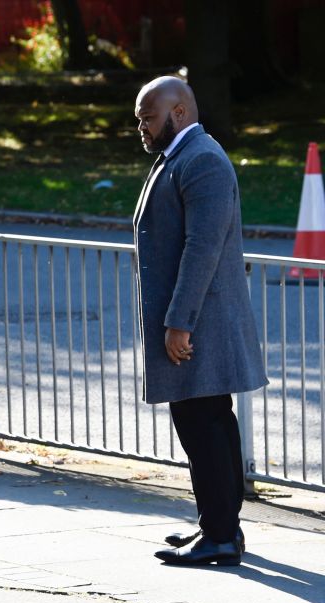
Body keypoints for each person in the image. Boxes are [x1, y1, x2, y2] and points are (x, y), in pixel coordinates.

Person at [132, 77, 267, 566]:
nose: (142, 128)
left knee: (202, 423)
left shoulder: (202, 158)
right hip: (193, 321)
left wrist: (179, 323)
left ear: (180, 112)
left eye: (149, 117)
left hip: (199, 324)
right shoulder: (179, 155)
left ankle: (221, 535)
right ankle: (220, 526)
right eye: (139, 119)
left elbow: (202, 248)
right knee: (209, 421)